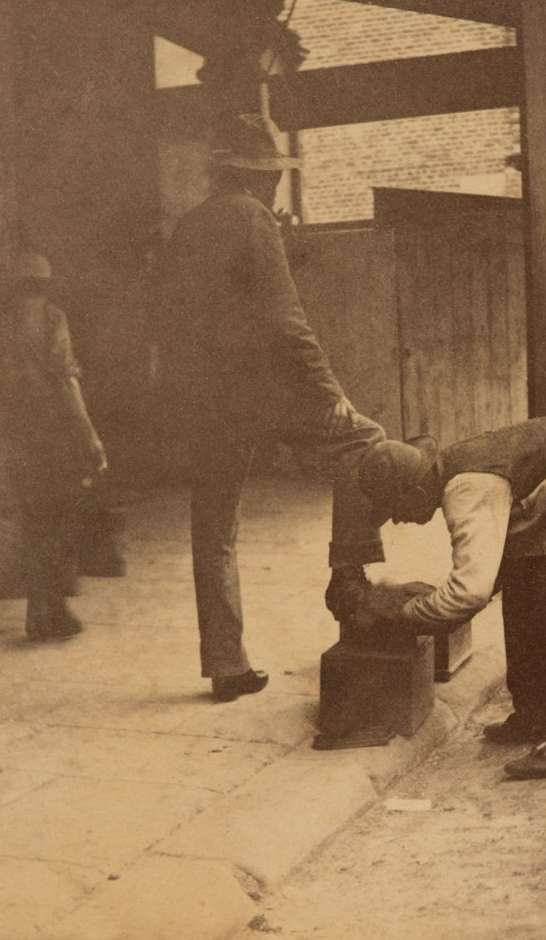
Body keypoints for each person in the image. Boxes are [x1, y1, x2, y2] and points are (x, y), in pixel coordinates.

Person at [159, 112, 386, 702]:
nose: (277, 184)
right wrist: (329, 394)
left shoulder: (186, 227)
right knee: (367, 442)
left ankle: (225, 666)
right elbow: (287, 322)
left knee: (214, 532)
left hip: (203, 401)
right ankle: (348, 574)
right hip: (267, 392)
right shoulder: (252, 216)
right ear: (255, 176)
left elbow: (170, 324)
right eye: (272, 174)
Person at [352, 411, 546, 779]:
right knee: (522, 589)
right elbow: (494, 574)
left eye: (395, 509)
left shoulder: (466, 489)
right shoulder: (455, 470)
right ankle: (532, 716)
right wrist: (423, 599)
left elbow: (469, 594)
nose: (398, 520)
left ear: (415, 490)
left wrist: (403, 613)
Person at [0, 252, 107, 641]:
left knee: (33, 521)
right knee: (58, 519)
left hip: (16, 431)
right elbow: (66, 380)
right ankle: (50, 611)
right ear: (45, 284)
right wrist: (89, 435)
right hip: (52, 430)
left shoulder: (1, 325)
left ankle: (41, 612)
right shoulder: (53, 318)